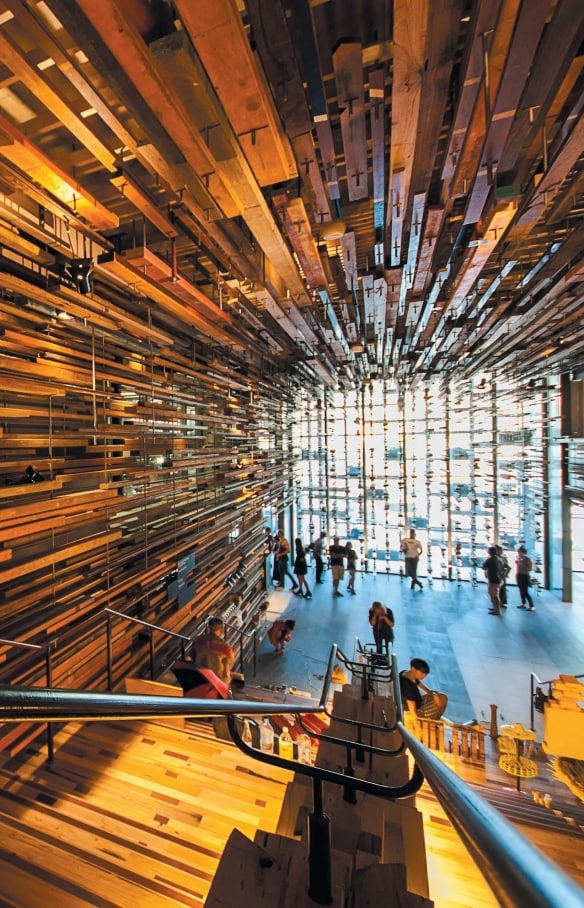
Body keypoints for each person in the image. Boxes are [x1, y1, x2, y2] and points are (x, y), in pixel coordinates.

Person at [191, 617, 236, 685]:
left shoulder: (198, 640)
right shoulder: (224, 645)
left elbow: (192, 656)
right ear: (221, 629)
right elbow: (231, 660)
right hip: (217, 679)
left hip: (200, 676)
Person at [482, 545, 504, 615]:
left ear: (489, 552)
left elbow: (483, 567)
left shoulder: (490, 559)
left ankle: (496, 610)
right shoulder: (499, 559)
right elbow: (503, 568)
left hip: (493, 580)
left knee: (494, 595)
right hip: (498, 579)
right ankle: (495, 608)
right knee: (495, 595)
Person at [515, 545, 534, 610]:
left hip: (525, 576)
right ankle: (523, 603)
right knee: (521, 590)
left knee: (525, 591)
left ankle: (531, 605)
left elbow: (529, 569)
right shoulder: (518, 558)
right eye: (518, 552)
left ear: (523, 552)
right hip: (519, 575)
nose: (519, 553)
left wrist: (522, 565)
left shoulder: (527, 559)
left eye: (520, 552)